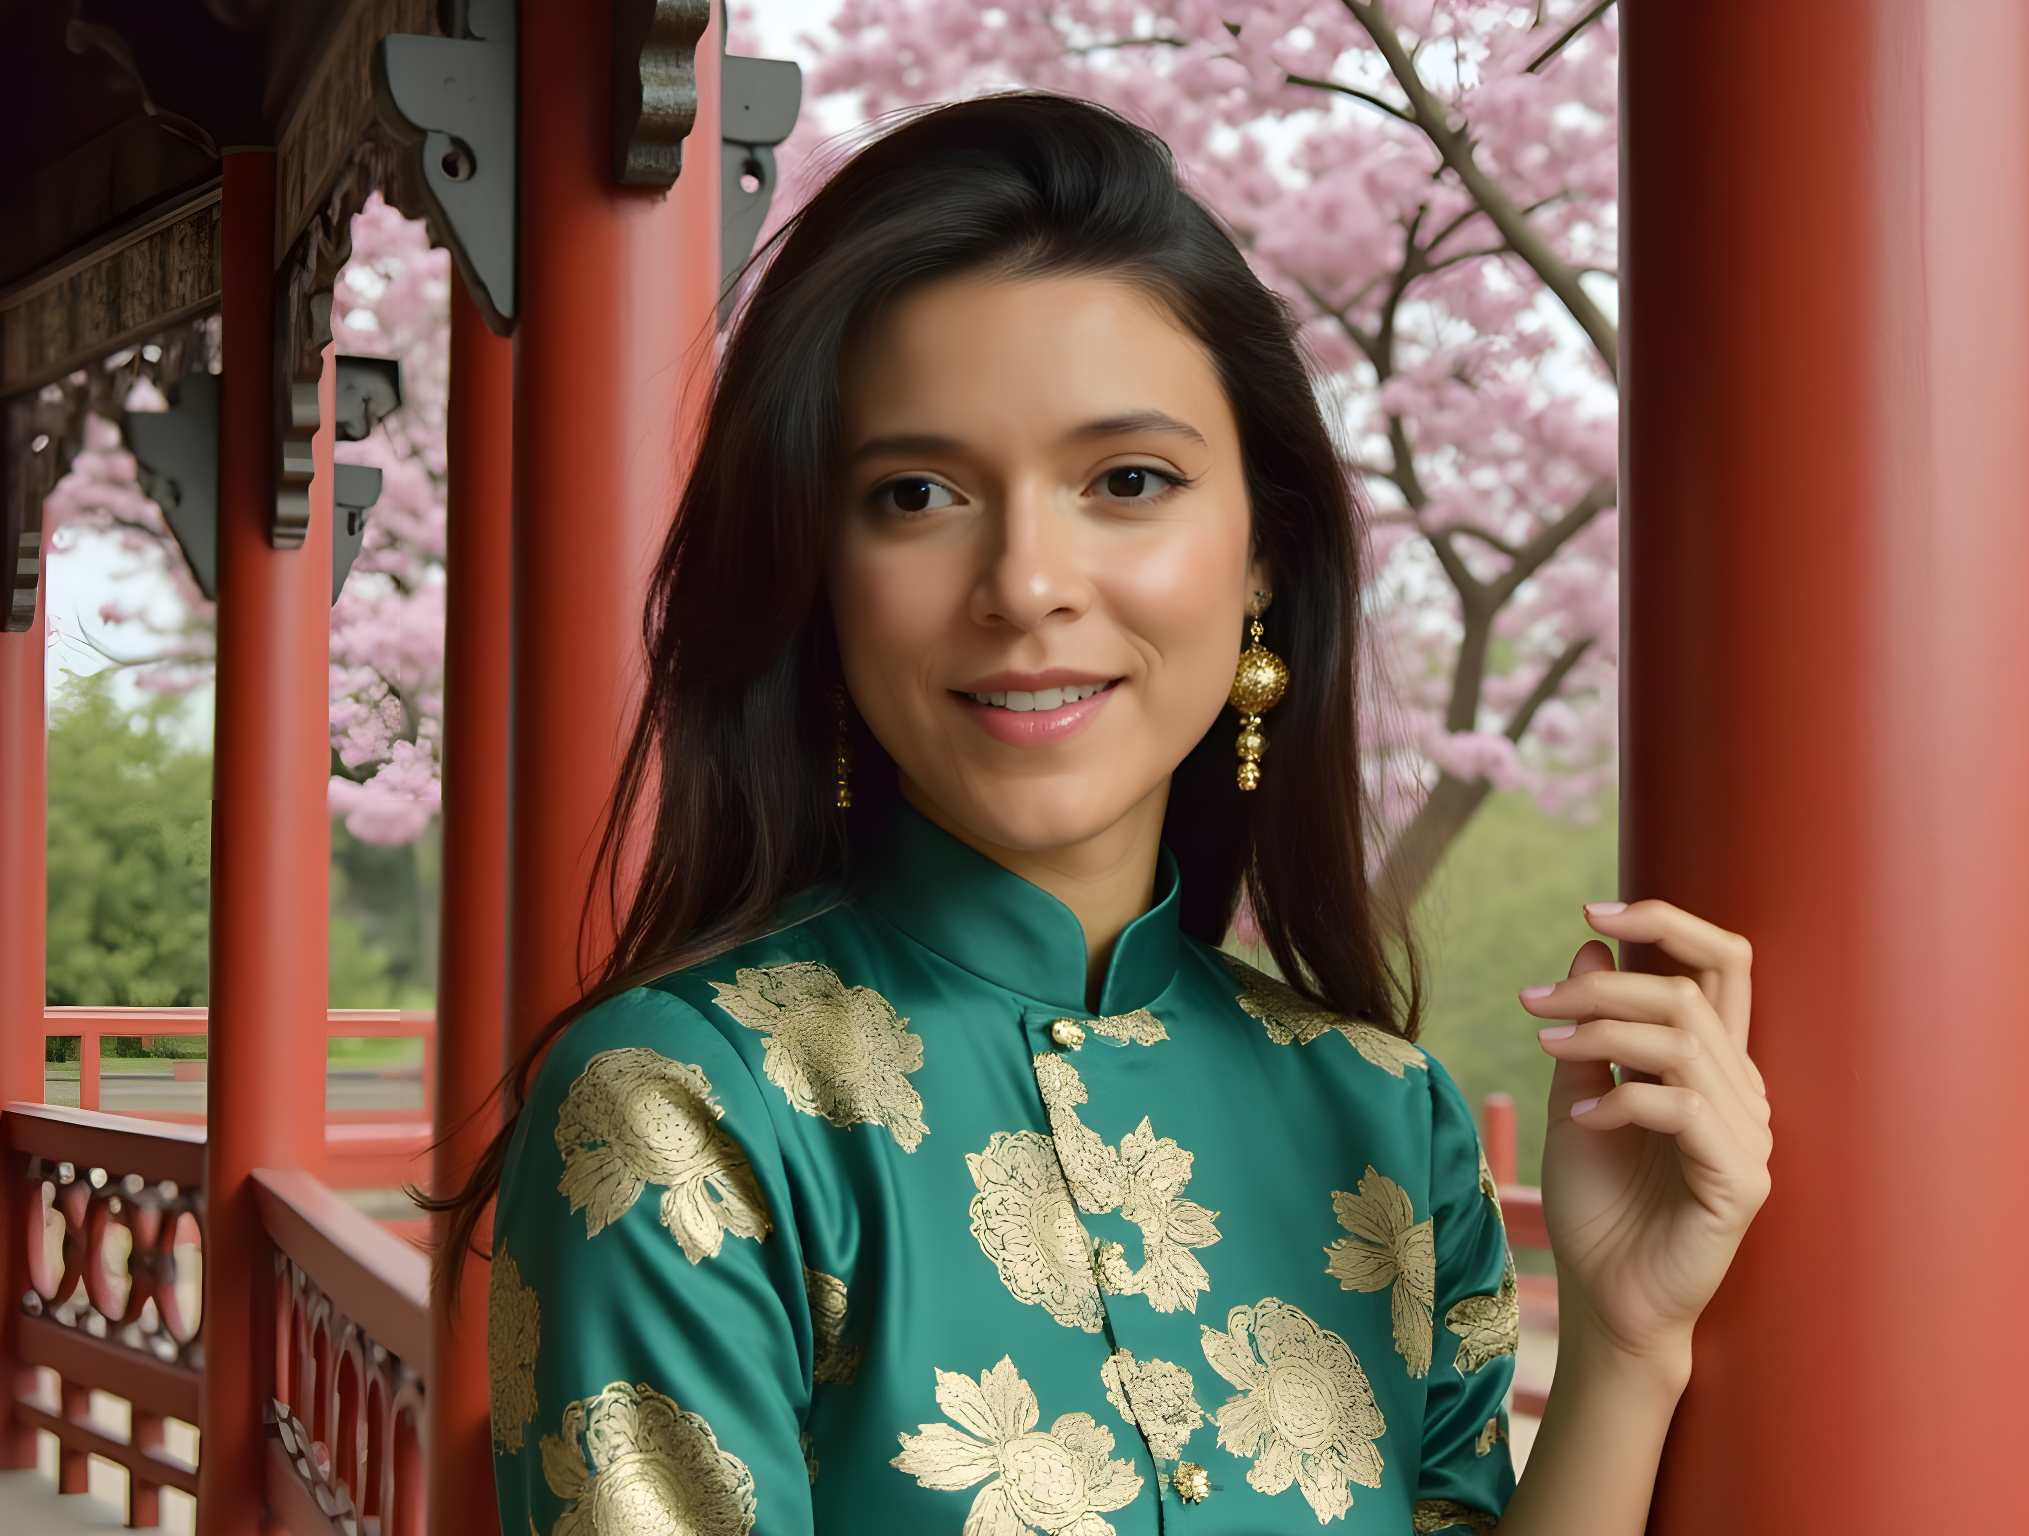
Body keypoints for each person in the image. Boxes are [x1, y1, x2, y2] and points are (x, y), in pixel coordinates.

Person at [447, 94, 1771, 1535]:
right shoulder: (683, 1110)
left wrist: (1628, 1343)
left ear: (1263, 552)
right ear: (815, 572)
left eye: (1129, 481)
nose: (1026, 584)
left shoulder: (1388, 1119)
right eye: (916, 493)